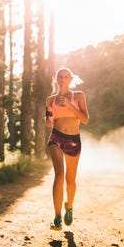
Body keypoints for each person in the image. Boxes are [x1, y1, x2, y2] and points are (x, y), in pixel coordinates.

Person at [44, 67, 89, 230]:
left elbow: (85, 119)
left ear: (70, 79)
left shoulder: (78, 96)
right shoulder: (50, 100)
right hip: (56, 137)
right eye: (60, 77)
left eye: (66, 77)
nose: (63, 79)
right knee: (59, 175)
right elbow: (48, 122)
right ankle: (57, 218)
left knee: (71, 181)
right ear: (57, 79)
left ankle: (69, 207)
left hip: (73, 140)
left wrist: (69, 105)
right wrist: (48, 115)